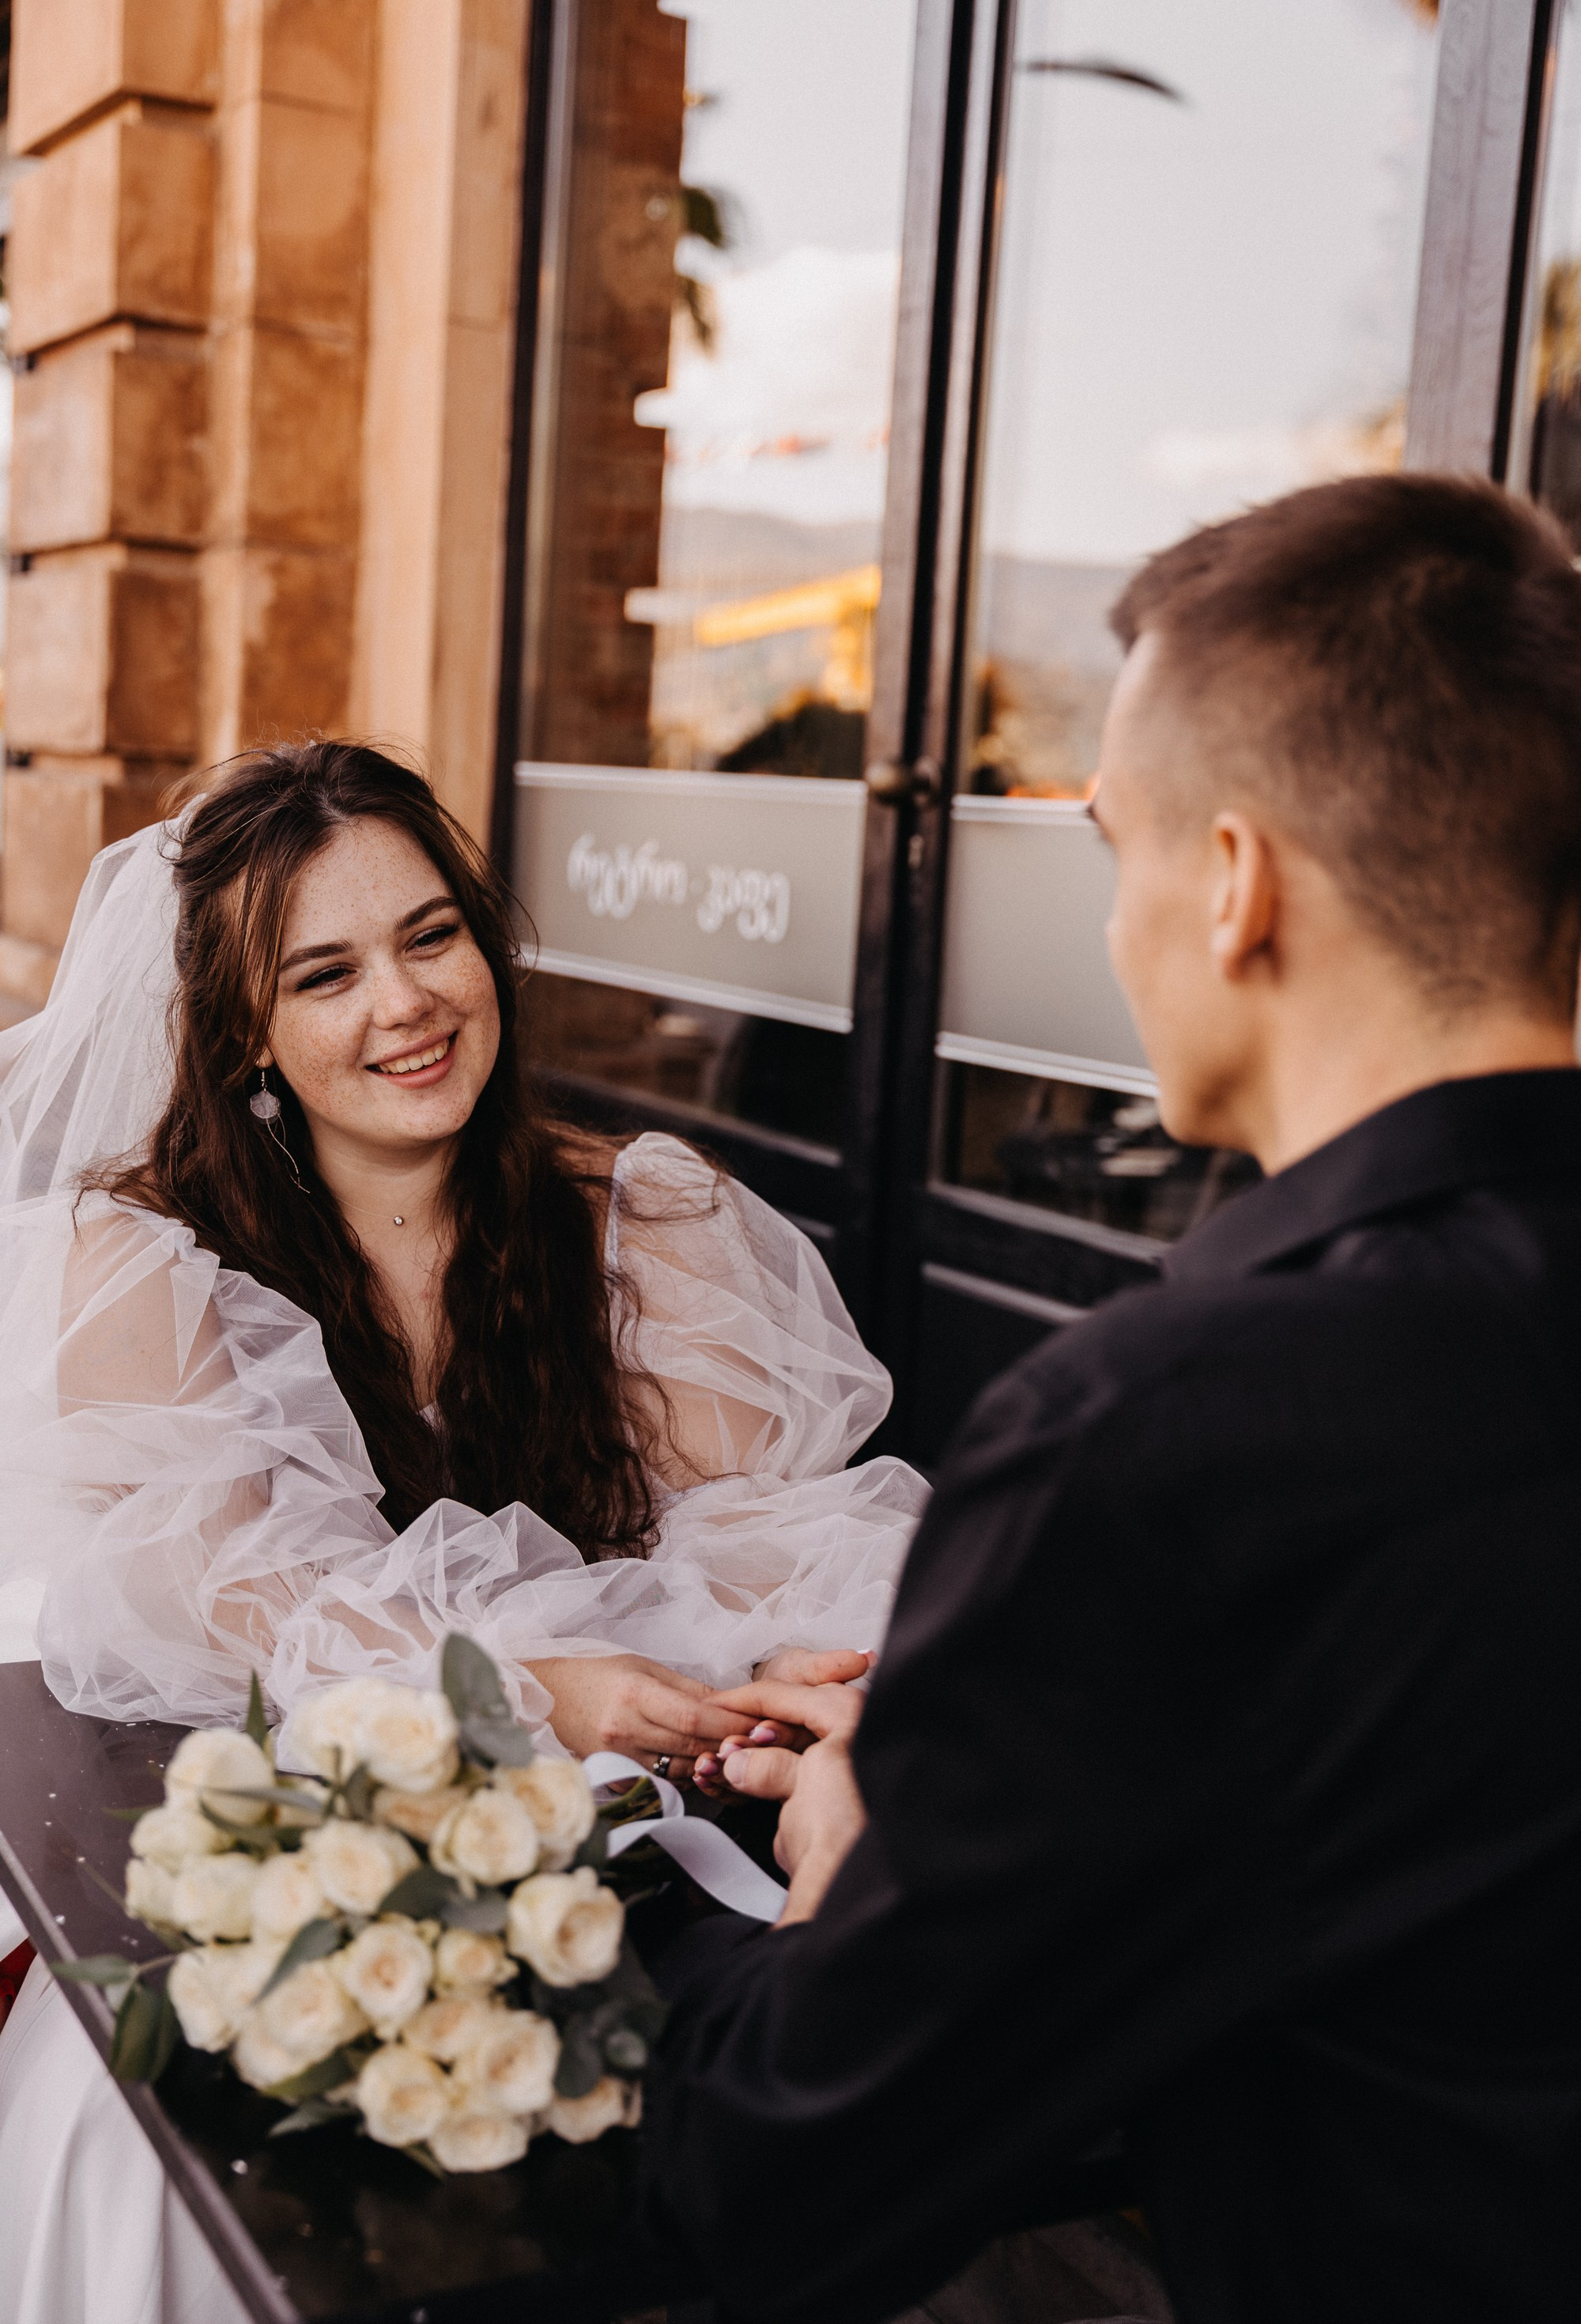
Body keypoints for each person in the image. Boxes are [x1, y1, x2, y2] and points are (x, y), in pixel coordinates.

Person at [645, 474, 1581, 2324]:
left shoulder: (1172, 1430)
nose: (1108, 930)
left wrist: (860, 1864)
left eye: (1111, 850)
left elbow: (790, 2173)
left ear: (1232, 886)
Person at [0, 739, 926, 2324]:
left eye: (432, 938)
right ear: (251, 1039)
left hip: (638, 1808)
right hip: (277, 1790)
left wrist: (813, 1701)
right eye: (326, 972)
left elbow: (782, 1529)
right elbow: (230, 1594)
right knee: (155, 2123)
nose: (405, 1005)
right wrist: (523, 1683)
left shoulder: (646, 1218)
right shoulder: (148, 1261)